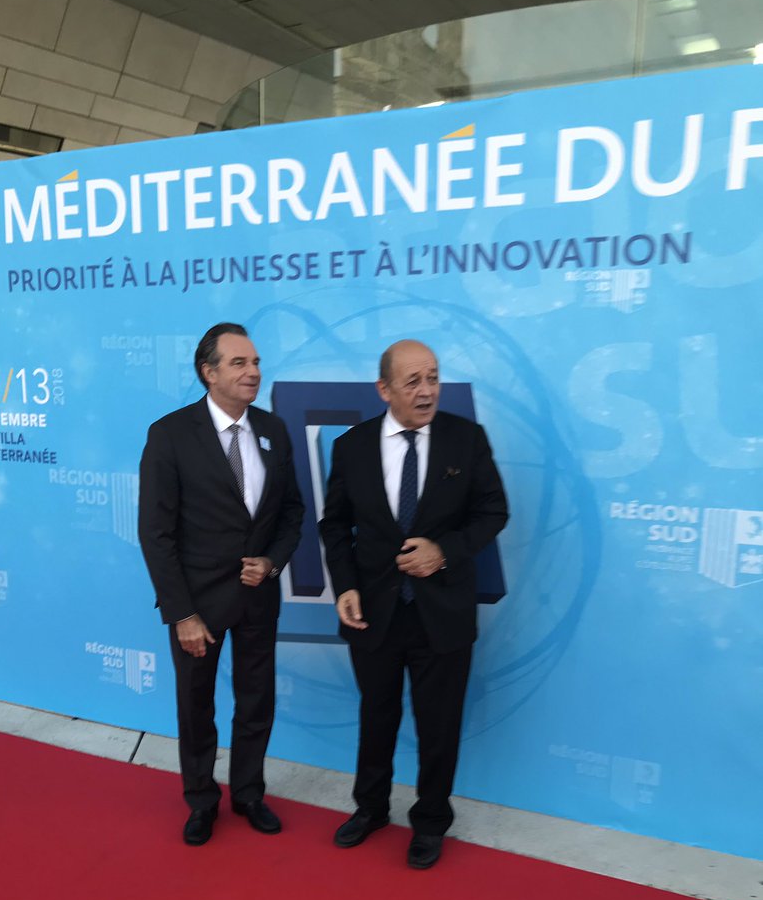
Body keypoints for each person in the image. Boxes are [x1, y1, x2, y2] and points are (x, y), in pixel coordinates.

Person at [318, 339, 508, 869]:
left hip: (442, 613)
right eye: (413, 381)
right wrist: (345, 585)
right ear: (385, 389)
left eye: (433, 378)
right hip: (373, 612)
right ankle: (370, 808)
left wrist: (443, 552)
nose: (427, 391)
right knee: (376, 716)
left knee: (438, 725)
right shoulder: (352, 446)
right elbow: (335, 525)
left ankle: (429, 822)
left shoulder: (466, 439)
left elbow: (493, 512)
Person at [138, 323, 304, 846]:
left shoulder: (275, 429)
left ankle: (249, 794)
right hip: (198, 605)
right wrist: (181, 614)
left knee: (257, 701)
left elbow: (292, 512)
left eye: (255, 362)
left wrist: (272, 562)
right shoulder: (170, 435)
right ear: (208, 372)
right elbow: (156, 533)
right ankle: (201, 800)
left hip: (258, 597)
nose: (253, 371)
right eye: (239, 363)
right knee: (196, 705)